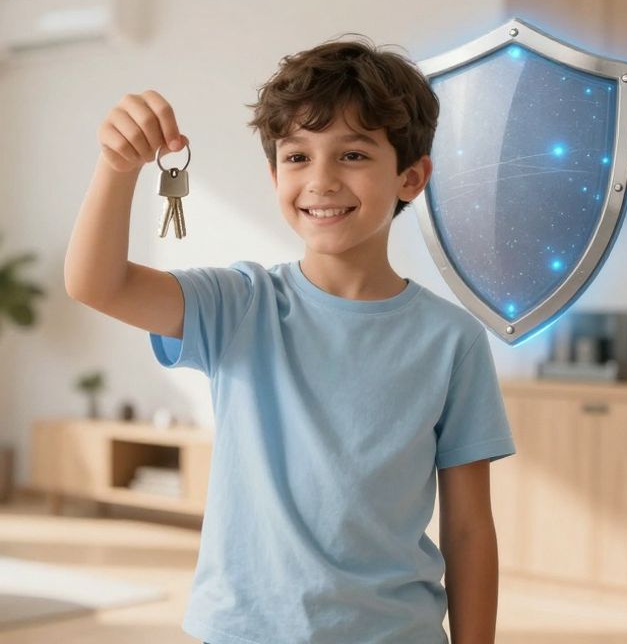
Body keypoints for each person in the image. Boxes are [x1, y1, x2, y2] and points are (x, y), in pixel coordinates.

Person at [63, 35, 515, 643]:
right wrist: (117, 169)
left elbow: (467, 528)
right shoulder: (238, 305)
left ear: (411, 177)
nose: (320, 180)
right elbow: (98, 282)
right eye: (297, 157)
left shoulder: (451, 339)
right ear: (274, 172)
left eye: (352, 155)